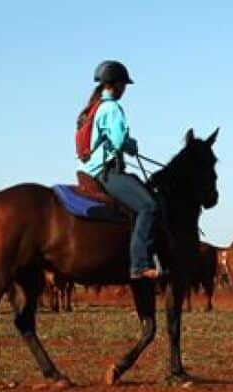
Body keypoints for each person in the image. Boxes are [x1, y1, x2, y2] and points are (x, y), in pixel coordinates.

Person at [80, 60, 161, 280]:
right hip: (106, 172)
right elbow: (118, 141)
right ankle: (139, 264)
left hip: (88, 170)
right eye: (123, 85)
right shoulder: (112, 108)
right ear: (115, 85)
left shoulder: (92, 108)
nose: (125, 89)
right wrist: (131, 145)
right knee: (149, 206)